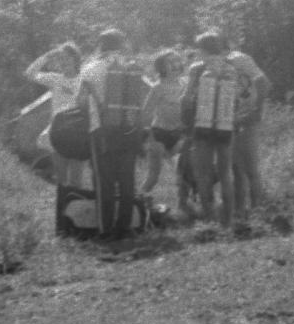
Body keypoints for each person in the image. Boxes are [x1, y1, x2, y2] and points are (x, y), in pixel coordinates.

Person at [76, 29, 147, 240]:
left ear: (101, 44)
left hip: (101, 131)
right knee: (127, 180)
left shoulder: (90, 68)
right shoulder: (131, 67)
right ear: (122, 44)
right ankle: (124, 227)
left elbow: (80, 102)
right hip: (128, 129)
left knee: (103, 181)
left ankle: (105, 229)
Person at [182, 31, 244, 226]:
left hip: (202, 126)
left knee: (203, 173)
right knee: (226, 173)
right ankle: (228, 219)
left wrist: (185, 120)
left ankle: (209, 218)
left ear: (202, 49)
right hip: (226, 127)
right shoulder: (231, 68)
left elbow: (186, 98)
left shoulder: (197, 68)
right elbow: (238, 99)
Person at [23, 42, 84, 187]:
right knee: (61, 180)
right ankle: (62, 208)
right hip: (59, 133)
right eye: (61, 59)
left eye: (67, 58)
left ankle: (75, 207)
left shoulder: (85, 79)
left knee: (76, 181)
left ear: (75, 59)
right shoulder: (55, 78)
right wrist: (47, 56)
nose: (63, 62)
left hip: (78, 134)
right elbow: (29, 74)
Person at [225, 38, 272, 216]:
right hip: (229, 120)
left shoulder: (240, 59)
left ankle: (257, 210)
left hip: (247, 118)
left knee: (250, 167)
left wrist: (257, 110)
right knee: (236, 168)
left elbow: (264, 82)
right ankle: (240, 211)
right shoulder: (210, 65)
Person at [139, 49, 186, 206]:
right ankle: (137, 202)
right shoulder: (158, 87)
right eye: (170, 62)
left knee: (184, 173)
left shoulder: (185, 84)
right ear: (162, 67)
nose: (175, 65)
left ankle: (183, 205)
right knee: (153, 177)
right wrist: (144, 136)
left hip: (179, 134)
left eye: (177, 61)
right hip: (159, 134)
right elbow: (146, 113)